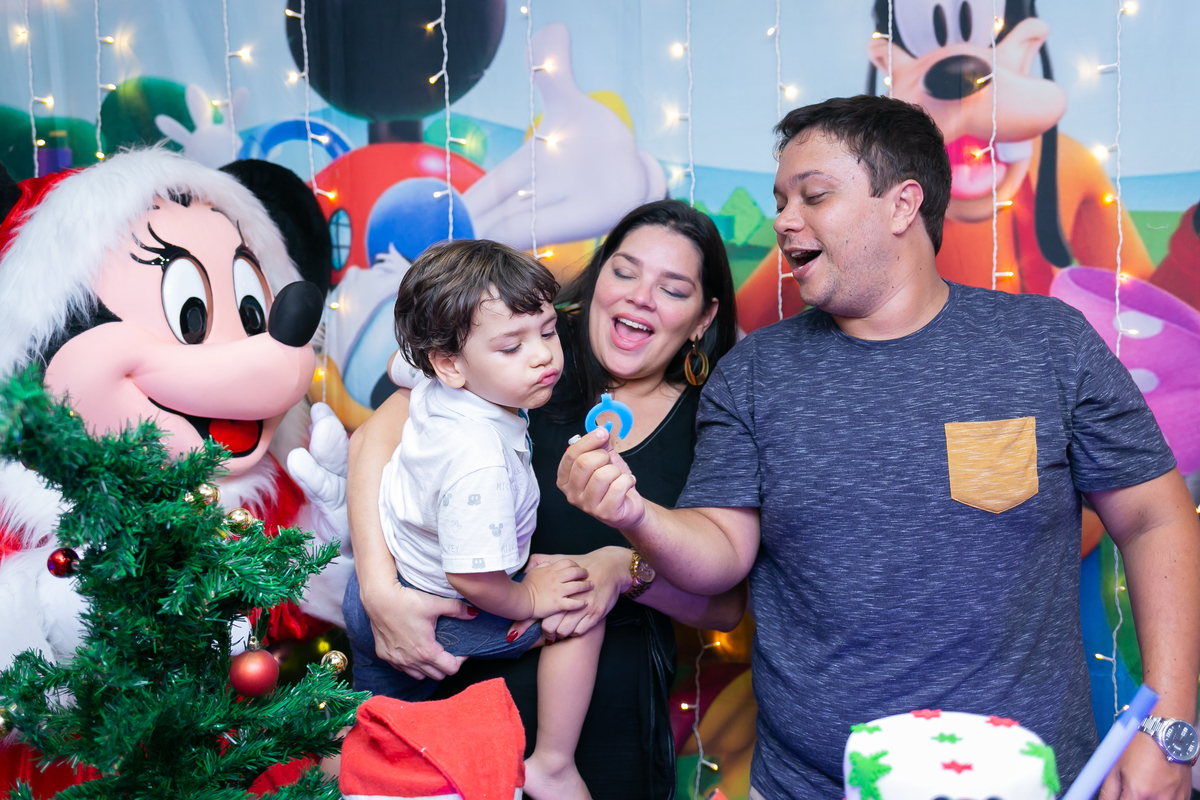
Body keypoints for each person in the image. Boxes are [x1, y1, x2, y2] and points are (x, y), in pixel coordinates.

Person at [558, 96, 1200, 800]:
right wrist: (634, 514)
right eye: (779, 200)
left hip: (1028, 782)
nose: (784, 220)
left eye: (815, 196)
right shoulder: (753, 373)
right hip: (811, 787)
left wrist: (1171, 723)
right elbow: (720, 552)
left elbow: (1155, 518)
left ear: (902, 206)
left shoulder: (1048, 344)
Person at [346, 199, 746, 800]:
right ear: (598, 277)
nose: (640, 296)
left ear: (702, 317)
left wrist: (622, 568)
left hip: (606, 723)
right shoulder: (512, 364)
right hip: (457, 682)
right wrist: (379, 589)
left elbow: (724, 606)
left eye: (673, 288)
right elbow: (375, 444)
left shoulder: (715, 421)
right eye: (625, 270)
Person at [343, 238, 605, 799]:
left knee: (383, 738)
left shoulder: (435, 383)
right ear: (450, 364)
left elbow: (404, 363)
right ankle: (553, 765)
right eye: (511, 347)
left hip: (373, 591)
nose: (543, 356)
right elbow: (472, 580)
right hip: (445, 610)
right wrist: (531, 598)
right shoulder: (478, 458)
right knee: (583, 605)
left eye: (547, 330)